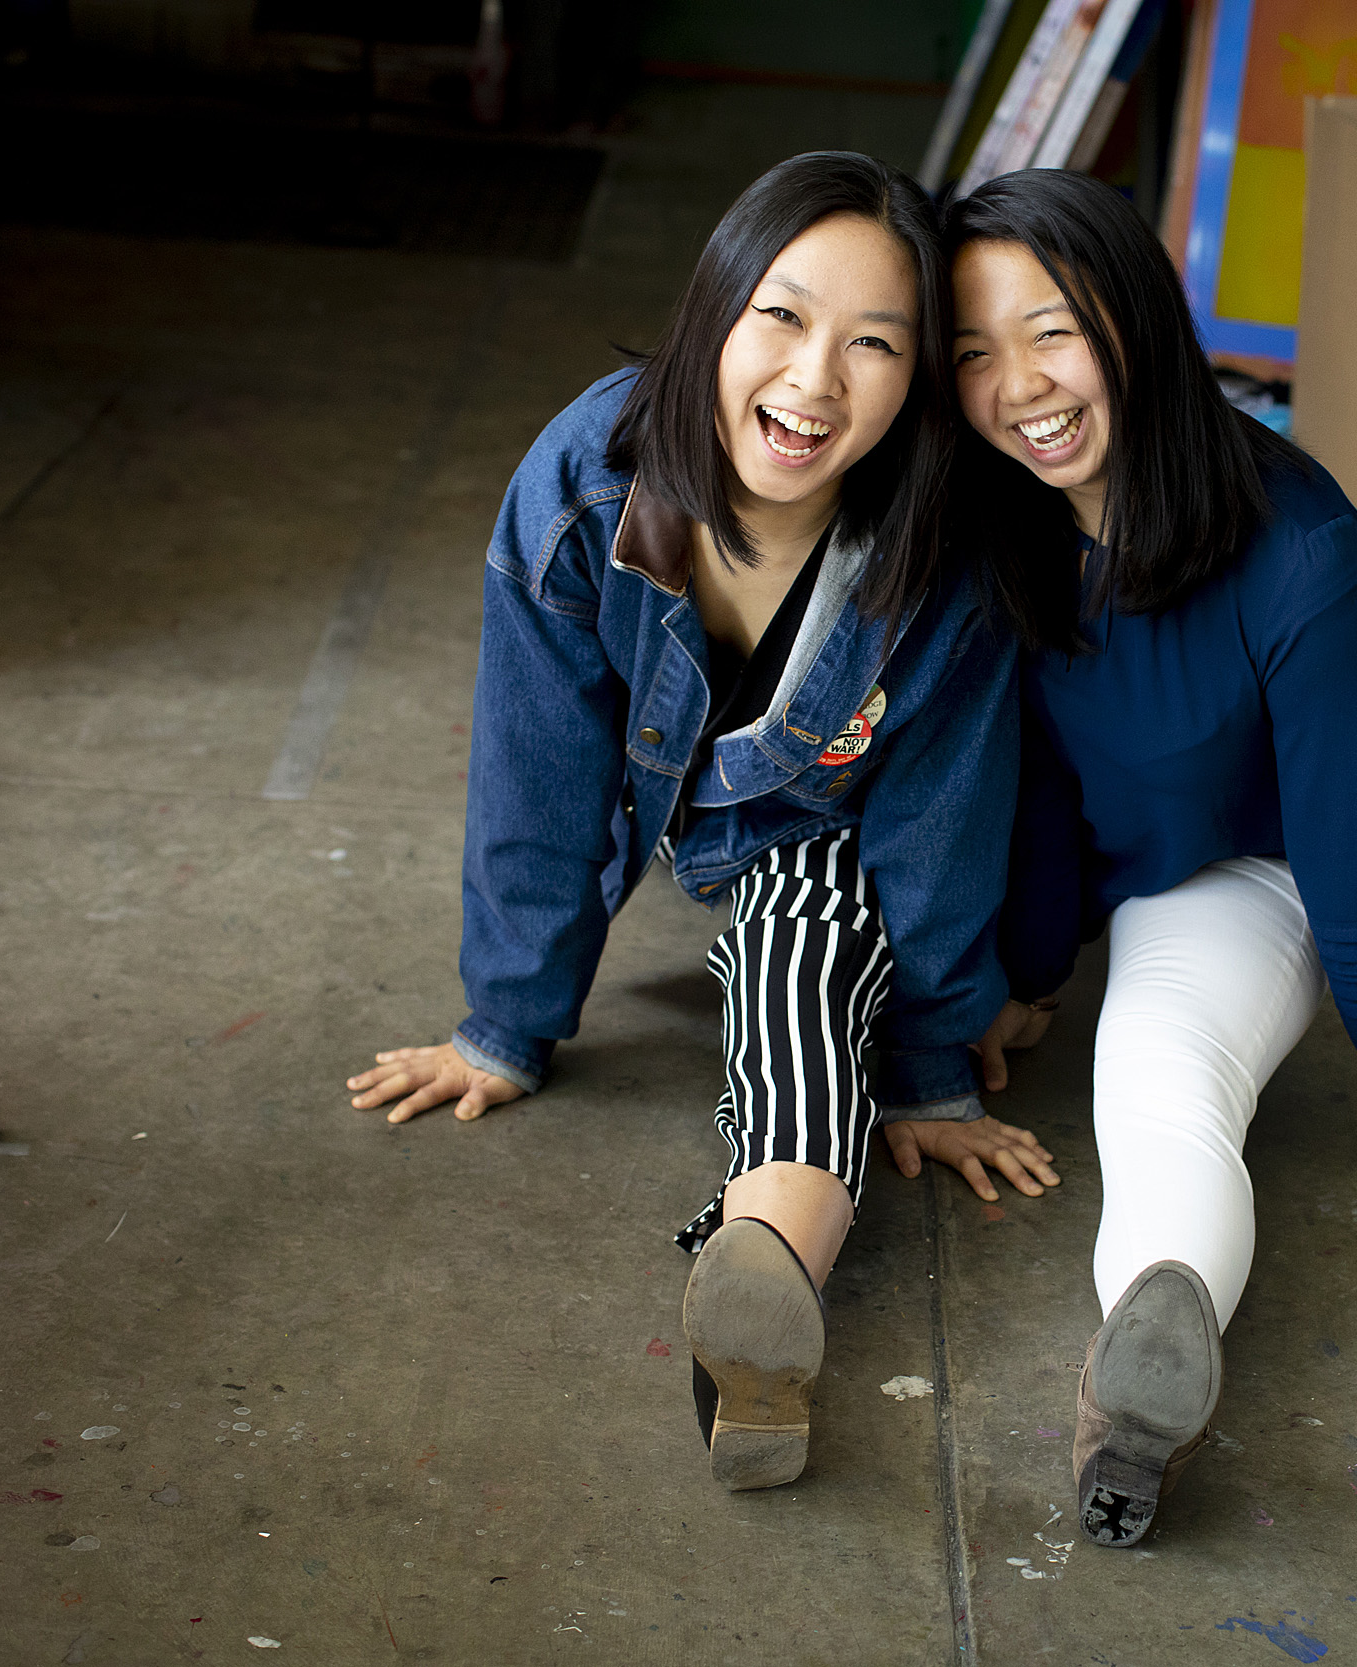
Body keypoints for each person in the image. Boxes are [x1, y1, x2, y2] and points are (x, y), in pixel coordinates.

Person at [342, 152, 1059, 1493]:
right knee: (745, 919)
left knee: (807, 966)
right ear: (714, 313)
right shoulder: (584, 483)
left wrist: (932, 1060)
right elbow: (536, 768)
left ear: (913, 387)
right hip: (665, 806)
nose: (813, 381)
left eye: (874, 345)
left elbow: (942, 823)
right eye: (780, 317)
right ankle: (761, 1298)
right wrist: (507, 1020)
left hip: (819, 836)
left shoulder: (936, 561)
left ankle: (763, 1300)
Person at [945, 169, 1357, 1548]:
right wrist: (1028, 975)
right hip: (1091, 860)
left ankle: (1140, 1384)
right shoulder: (1006, 512)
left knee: (1157, 1083)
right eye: (974, 350)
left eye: (1052, 330)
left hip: (1239, 875)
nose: (1020, 386)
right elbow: (1045, 779)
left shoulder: (1305, 554)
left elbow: (1351, 862)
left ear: (1138, 319)